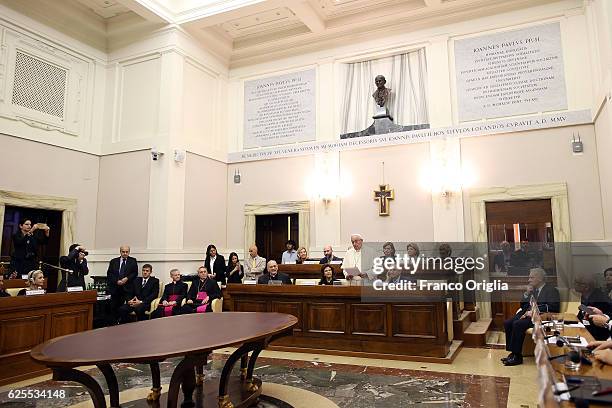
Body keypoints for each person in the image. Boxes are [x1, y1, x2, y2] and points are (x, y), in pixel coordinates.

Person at [502, 267, 560, 366]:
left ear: (540, 278)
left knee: (518, 324)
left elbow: (553, 307)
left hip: (540, 317)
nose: (529, 280)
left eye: (531, 278)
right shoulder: (533, 290)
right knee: (507, 322)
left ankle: (517, 356)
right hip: (526, 314)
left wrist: (533, 311)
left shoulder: (551, 290)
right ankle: (512, 352)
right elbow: (522, 305)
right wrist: (526, 293)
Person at [573, 273, 612, 341]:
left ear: (586, 287)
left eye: (576, 282)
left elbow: (597, 322)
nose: (574, 284)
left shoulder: (600, 298)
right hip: (587, 330)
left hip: (600, 336)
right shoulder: (585, 295)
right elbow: (582, 313)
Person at [106, 246, 139, 321]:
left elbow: (135, 273)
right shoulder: (113, 261)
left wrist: (127, 278)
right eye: (123, 252)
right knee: (114, 307)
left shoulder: (133, 261)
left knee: (124, 308)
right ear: (120, 252)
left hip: (127, 289)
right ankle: (114, 324)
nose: (125, 253)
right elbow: (110, 274)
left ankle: (122, 324)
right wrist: (117, 281)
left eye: (127, 252)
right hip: (115, 288)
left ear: (129, 252)